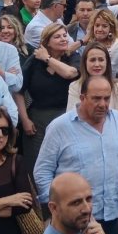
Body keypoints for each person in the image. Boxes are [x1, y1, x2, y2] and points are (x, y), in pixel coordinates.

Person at [34, 76, 118, 234]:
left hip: (111, 214)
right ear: (82, 98)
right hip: (74, 220)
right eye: (96, 98)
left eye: (106, 98)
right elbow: (42, 171)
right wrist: (58, 211)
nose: (102, 104)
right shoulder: (60, 127)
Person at [18, 23, 79, 169]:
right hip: (38, 118)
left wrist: (47, 58)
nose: (63, 39)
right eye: (57, 37)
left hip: (66, 115)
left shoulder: (73, 57)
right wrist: (25, 119)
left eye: (65, 35)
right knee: (37, 163)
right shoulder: (34, 61)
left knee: (64, 161)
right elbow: (18, 90)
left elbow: (70, 73)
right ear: (47, 42)